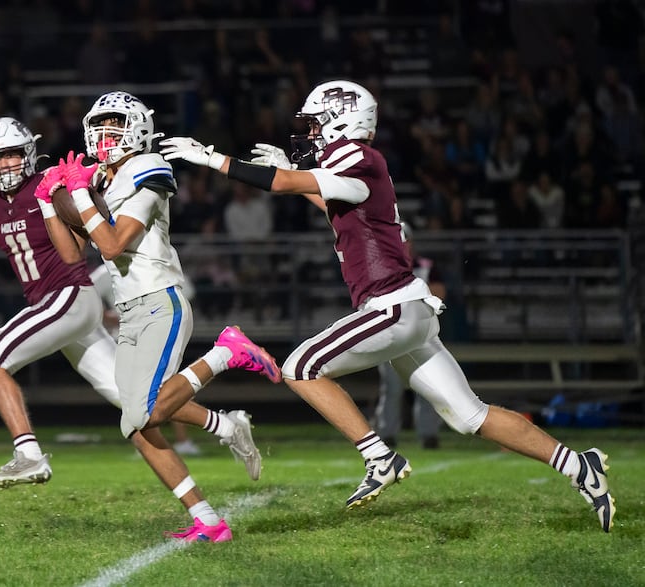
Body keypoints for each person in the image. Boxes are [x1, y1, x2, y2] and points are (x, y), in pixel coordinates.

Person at [159, 79, 616, 532]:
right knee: (470, 416)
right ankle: (579, 466)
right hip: (408, 310)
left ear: (342, 121)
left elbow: (283, 184)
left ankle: (379, 457)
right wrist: (297, 182)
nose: (311, 135)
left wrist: (212, 159)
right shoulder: (360, 167)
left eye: (317, 125)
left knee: (300, 367)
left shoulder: (356, 156)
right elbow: (332, 204)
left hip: (391, 307)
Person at [0, 116, 264, 491]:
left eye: (12, 155)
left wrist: (65, 198)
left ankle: (28, 453)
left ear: (28, 153)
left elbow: (79, 248)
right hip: (55, 309)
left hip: (68, 295)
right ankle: (226, 425)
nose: (4, 165)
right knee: (132, 402)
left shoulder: (51, 187)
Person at [37, 92, 281, 543]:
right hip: (130, 312)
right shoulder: (105, 182)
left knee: (145, 410)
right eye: (100, 127)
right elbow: (72, 253)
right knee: (136, 424)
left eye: (115, 127)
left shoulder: (148, 169)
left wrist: (75, 193)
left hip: (159, 301)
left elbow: (112, 244)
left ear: (138, 130)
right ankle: (209, 519)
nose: (105, 137)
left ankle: (227, 354)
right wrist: (48, 201)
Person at [89, 263, 202, 457]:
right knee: (138, 393)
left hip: (159, 330)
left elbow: (186, 293)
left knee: (169, 389)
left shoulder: (157, 259)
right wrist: (107, 317)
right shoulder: (106, 271)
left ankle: (185, 439)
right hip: (127, 338)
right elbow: (85, 298)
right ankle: (150, 443)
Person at [374, 222, 443, 450]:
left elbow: (439, 295)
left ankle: (428, 433)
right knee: (391, 388)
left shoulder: (426, 265)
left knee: (428, 386)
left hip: (421, 333)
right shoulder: (382, 267)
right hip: (392, 334)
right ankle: (387, 434)